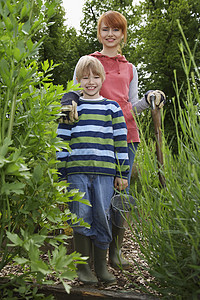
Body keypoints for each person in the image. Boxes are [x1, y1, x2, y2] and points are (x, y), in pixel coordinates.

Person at [59, 10, 166, 270]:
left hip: (125, 134)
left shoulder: (130, 68)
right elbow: (75, 92)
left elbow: (132, 104)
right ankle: (89, 261)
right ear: (99, 33)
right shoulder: (87, 61)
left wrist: (150, 97)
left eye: (116, 30)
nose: (110, 34)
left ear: (123, 34)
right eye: (105, 29)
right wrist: (68, 98)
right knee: (90, 198)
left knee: (121, 193)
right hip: (93, 135)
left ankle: (115, 254)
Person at [57, 55, 130, 285]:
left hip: (105, 173)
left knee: (102, 215)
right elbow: (62, 141)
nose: (90, 81)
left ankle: (101, 266)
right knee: (80, 216)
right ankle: (83, 268)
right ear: (77, 80)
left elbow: (120, 141)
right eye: (85, 77)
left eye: (95, 77)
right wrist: (61, 173)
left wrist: (122, 172)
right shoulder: (72, 108)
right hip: (77, 171)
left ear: (103, 79)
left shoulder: (112, 108)